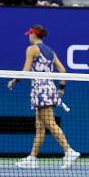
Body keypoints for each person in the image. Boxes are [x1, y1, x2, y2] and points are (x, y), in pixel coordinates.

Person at [7, 25, 80, 169]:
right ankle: (32, 158)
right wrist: (61, 89)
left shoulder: (32, 49)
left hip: (40, 91)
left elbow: (26, 71)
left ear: (33, 35)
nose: (28, 37)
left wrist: (13, 81)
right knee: (40, 127)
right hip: (49, 88)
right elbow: (63, 70)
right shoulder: (50, 51)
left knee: (50, 123)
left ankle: (69, 151)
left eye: (29, 34)